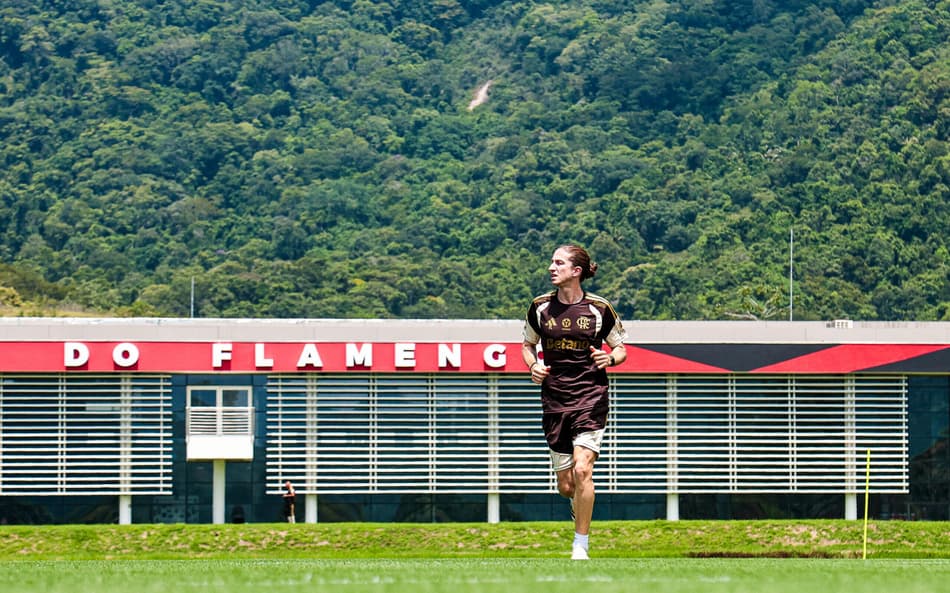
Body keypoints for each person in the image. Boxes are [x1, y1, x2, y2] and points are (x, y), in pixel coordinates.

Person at [521, 244, 628, 560]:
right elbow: (527, 345)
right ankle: (575, 503)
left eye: (559, 263)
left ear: (576, 271)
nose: (551, 268)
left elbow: (621, 349)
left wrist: (610, 359)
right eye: (551, 262)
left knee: (584, 470)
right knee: (566, 485)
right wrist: (533, 365)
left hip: (591, 396)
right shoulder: (539, 308)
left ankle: (580, 545)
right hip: (555, 400)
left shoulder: (599, 309)